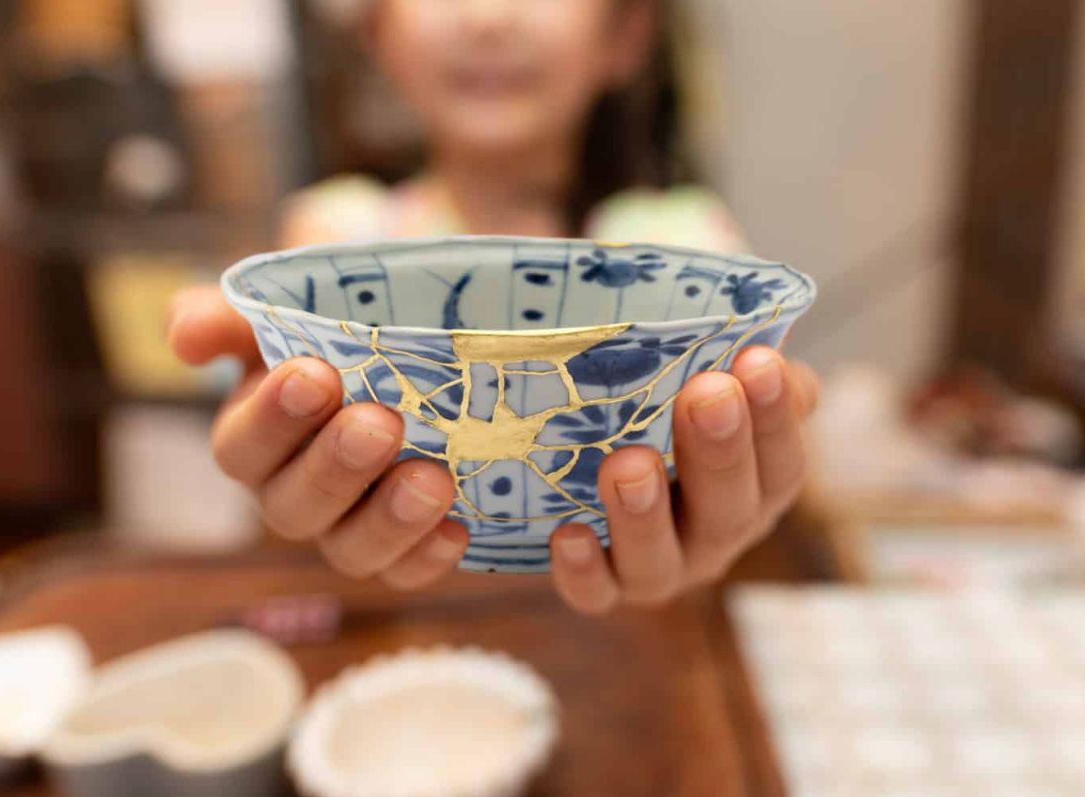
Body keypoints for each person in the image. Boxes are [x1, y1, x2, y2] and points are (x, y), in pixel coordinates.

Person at [166, 0, 819, 614]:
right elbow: (280, 440)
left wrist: (769, 448)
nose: (488, 17)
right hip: (395, 632)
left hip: (634, 643)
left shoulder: (686, 241)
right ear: (375, 31)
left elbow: (772, 410)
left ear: (626, 34)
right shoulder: (334, 234)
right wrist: (267, 434)